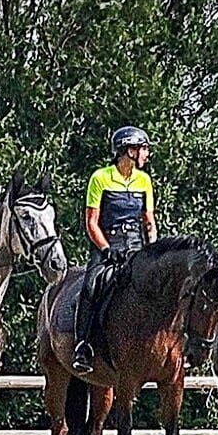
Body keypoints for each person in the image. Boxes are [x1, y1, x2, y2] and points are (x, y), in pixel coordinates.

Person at [70, 126, 158, 375]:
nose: (147, 154)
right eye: (143, 149)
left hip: (137, 247)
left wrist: (152, 250)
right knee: (91, 286)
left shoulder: (144, 181)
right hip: (107, 245)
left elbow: (148, 219)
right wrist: (107, 249)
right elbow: (91, 222)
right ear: (130, 151)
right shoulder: (100, 178)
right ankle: (83, 346)